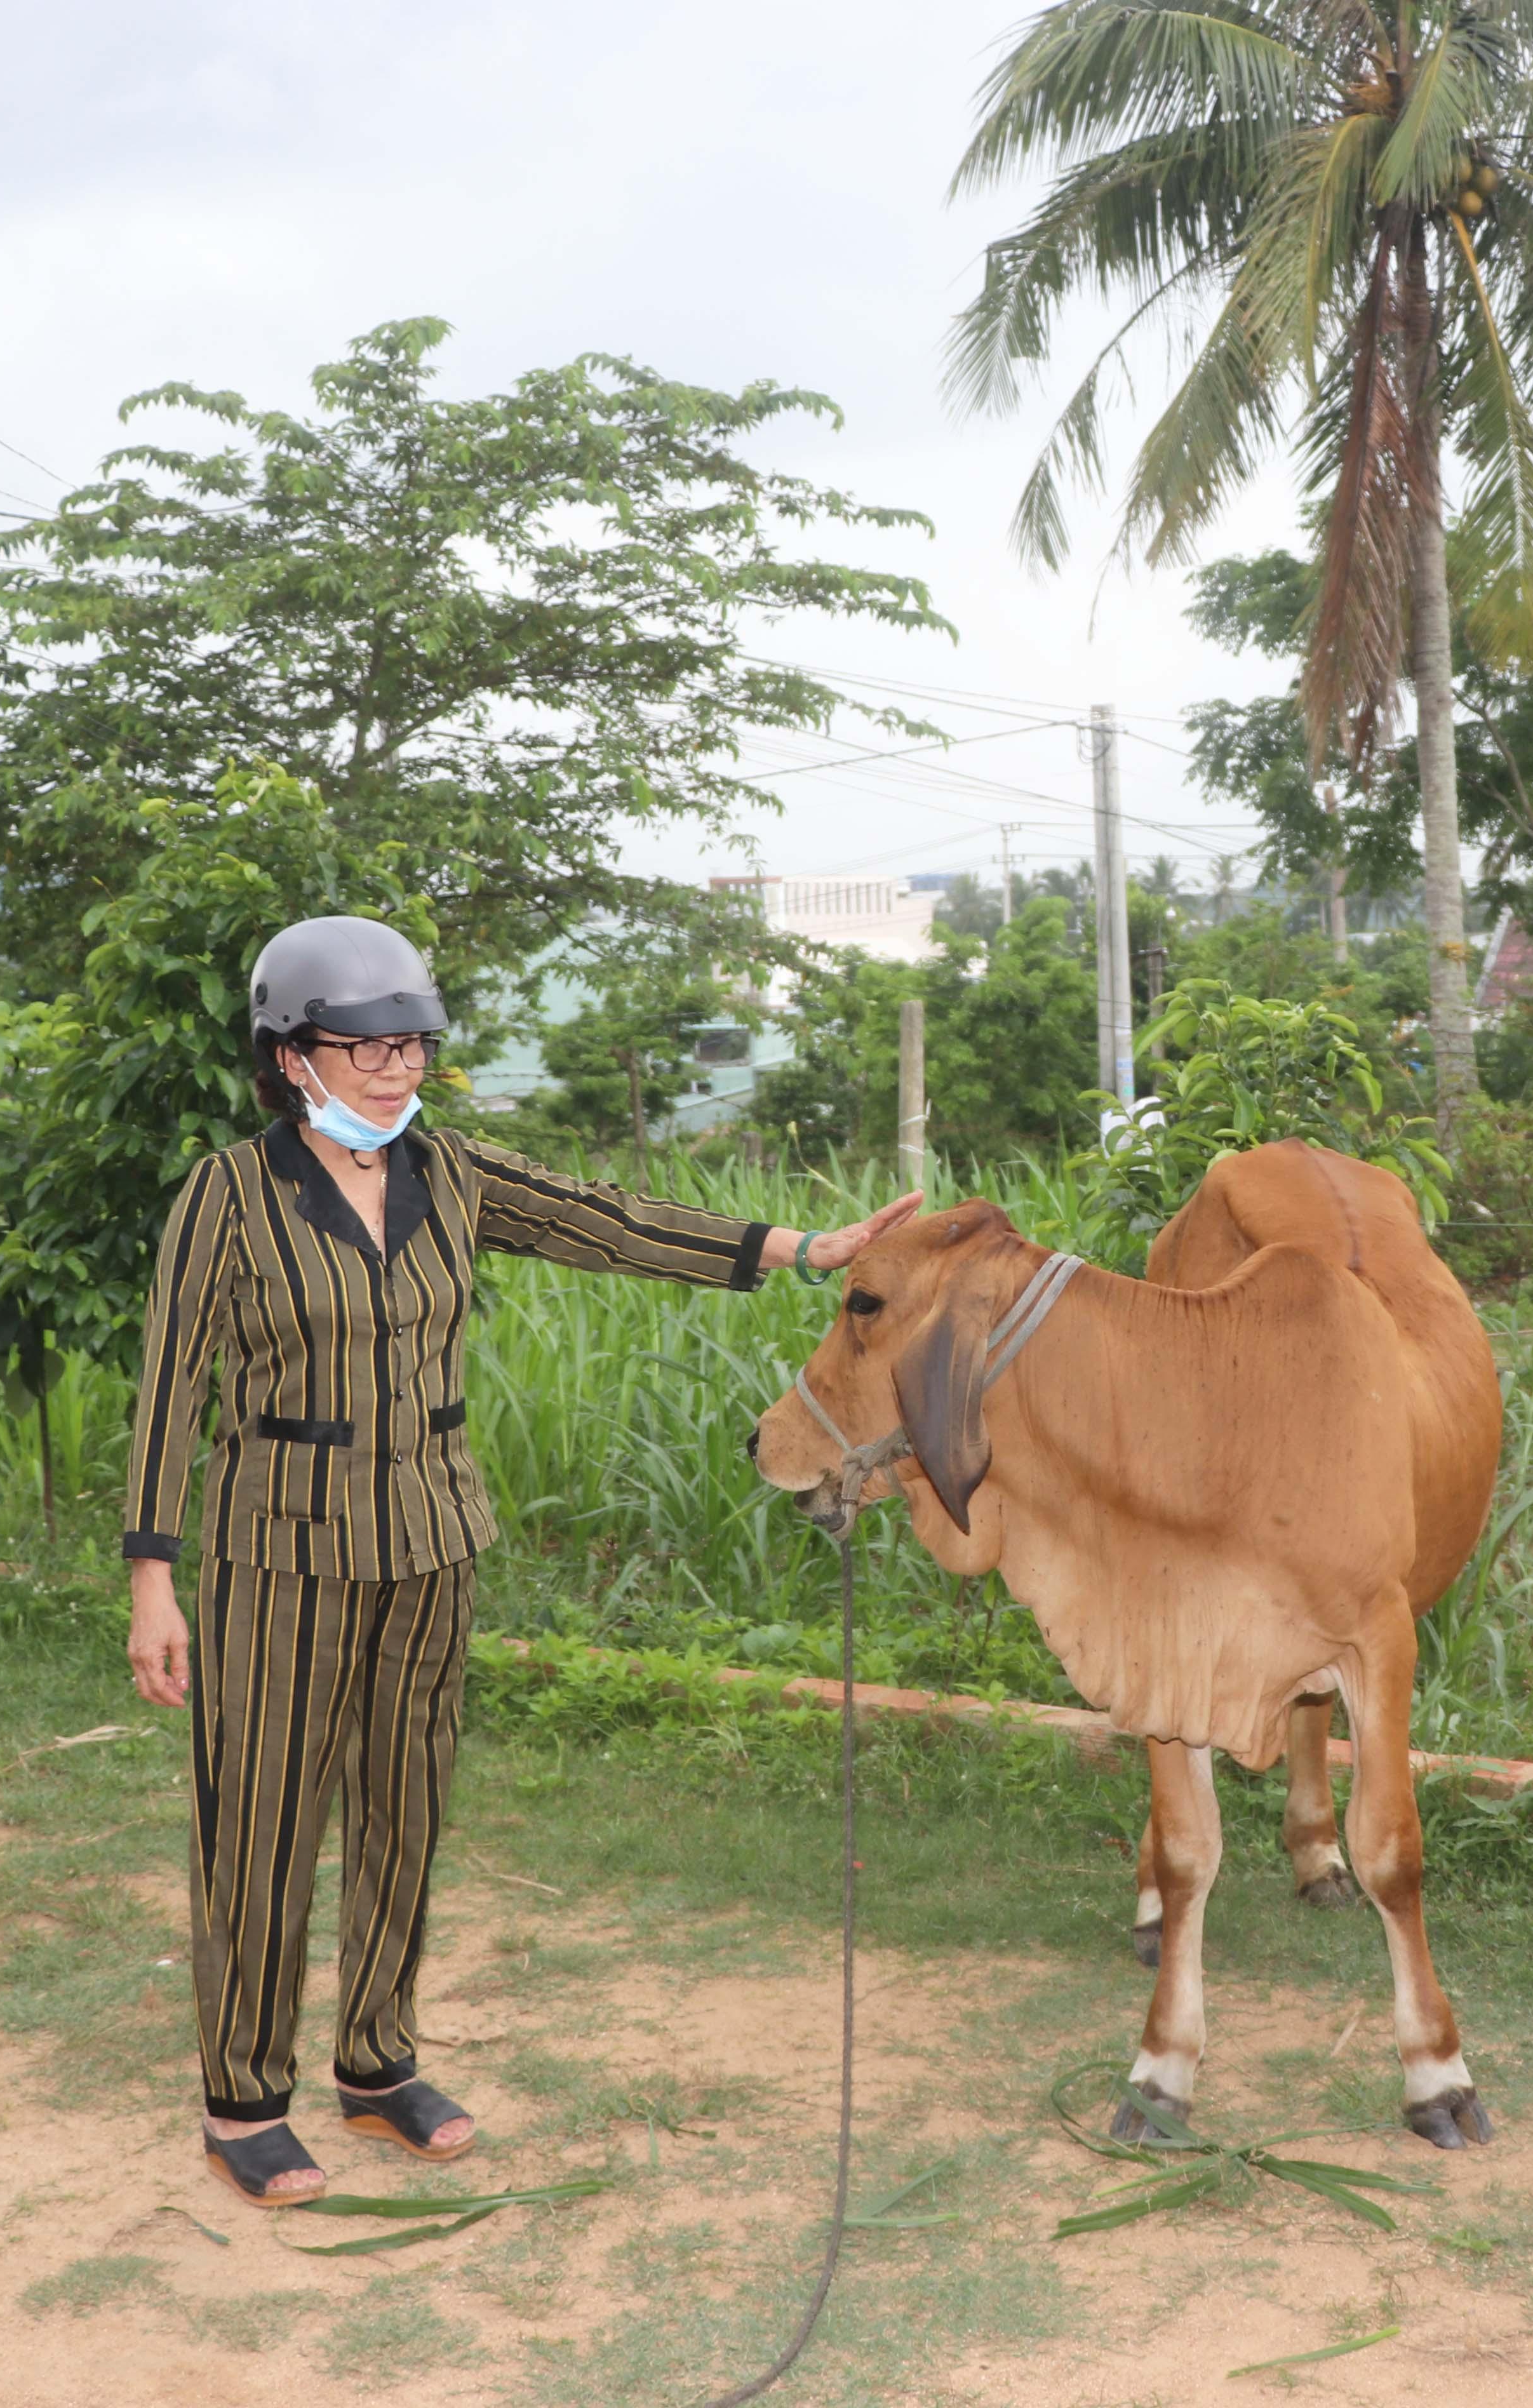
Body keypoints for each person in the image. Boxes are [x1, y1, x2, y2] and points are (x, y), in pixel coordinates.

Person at [119, 914, 914, 2207]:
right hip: (279, 1557)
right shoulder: (226, 1196)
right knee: (260, 1822)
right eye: (363, 1046)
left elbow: (606, 1223)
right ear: (290, 1055)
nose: (395, 1069)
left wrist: (793, 1252)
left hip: (435, 1539)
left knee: (405, 1807)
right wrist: (156, 1579)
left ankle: (377, 2066)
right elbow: (167, 1390)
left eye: (413, 1043)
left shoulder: (451, 1170)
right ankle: (243, 2100)